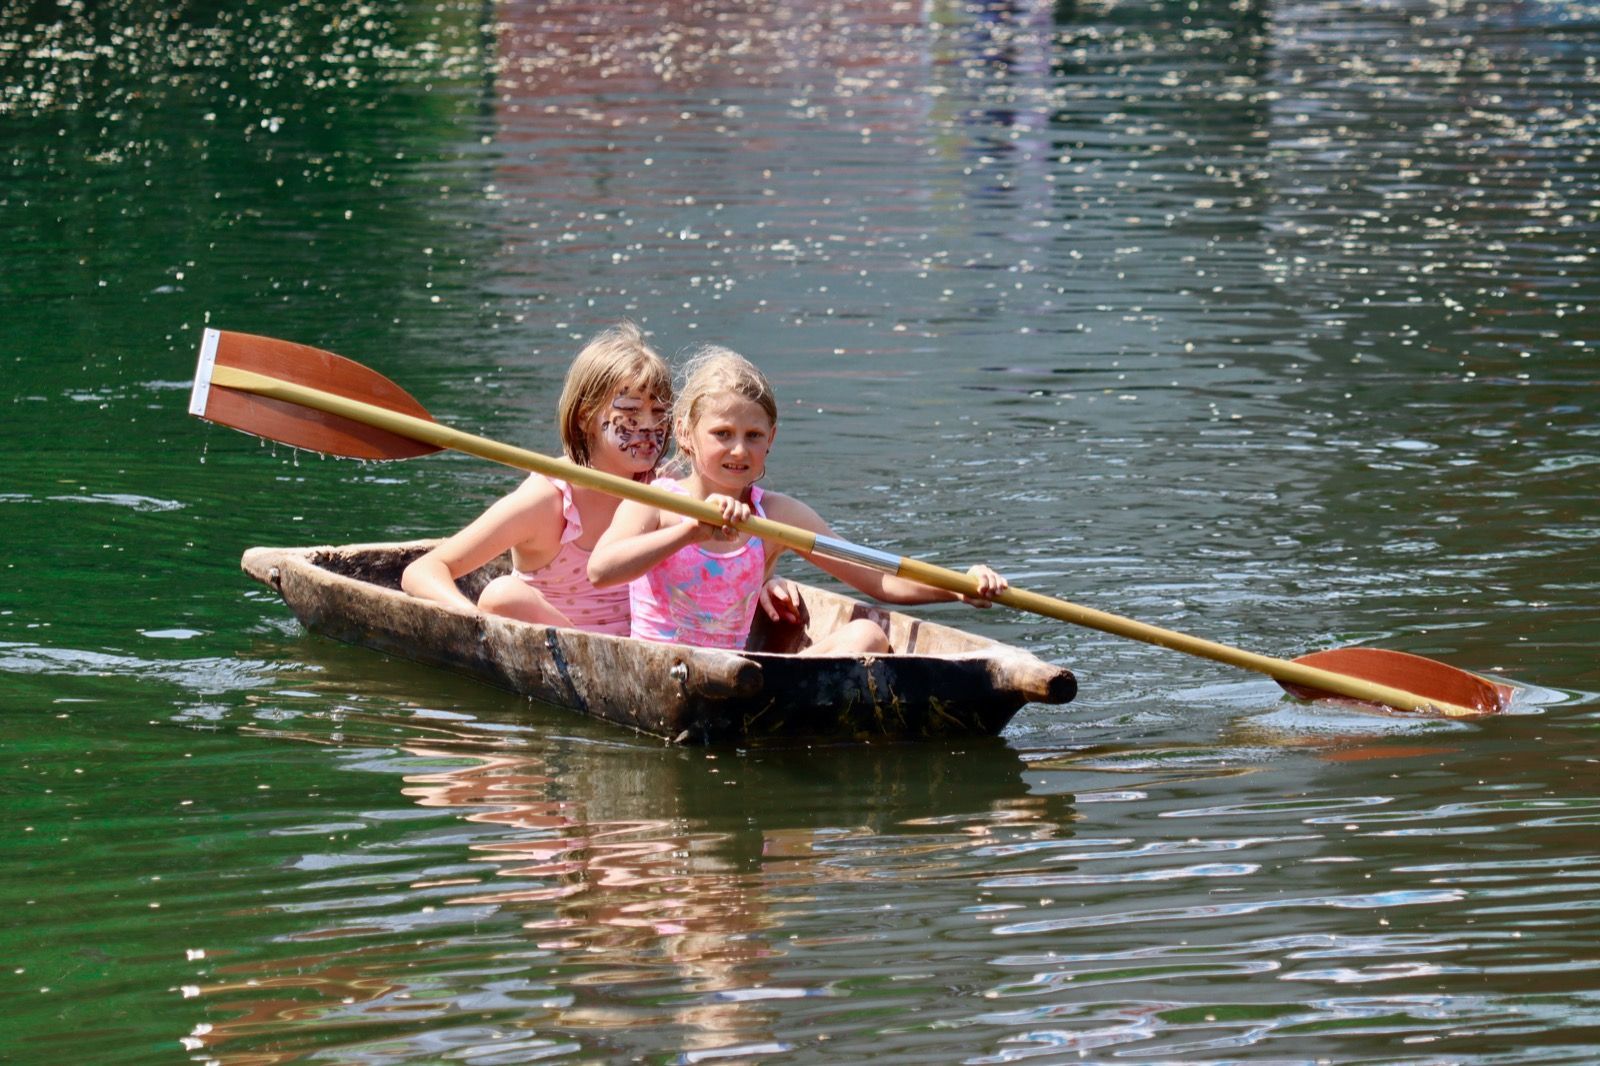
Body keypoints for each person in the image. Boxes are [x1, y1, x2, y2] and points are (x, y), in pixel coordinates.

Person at [588, 345, 1007, 654]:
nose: (739, 451)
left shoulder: (776, 515)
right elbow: (601, 571)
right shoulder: (655, 502)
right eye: (722, 434)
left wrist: (959, 588)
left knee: (869, 636)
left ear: (770, 440)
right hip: (665, 667)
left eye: (753, 437)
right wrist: (689, 532)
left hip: (740, 673)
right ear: (684, 433)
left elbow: (879, 578)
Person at [401, 322, 671, 634]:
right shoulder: (548, 501)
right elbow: (422, 570)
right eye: (633, 414)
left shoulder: (665, 489)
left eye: (660, 414)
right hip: (566, 652)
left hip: (650, 647)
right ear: (586, 417)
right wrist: (474, 621)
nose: (650, 429)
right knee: (503, 595)